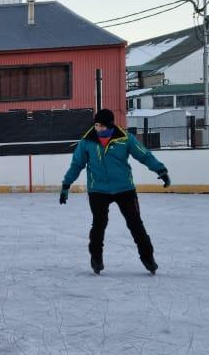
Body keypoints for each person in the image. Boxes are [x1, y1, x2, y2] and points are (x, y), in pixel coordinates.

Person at [60, 107, 170, 275]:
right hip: (98, 190)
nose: (98, 129)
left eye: (102, 126)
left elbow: (144, 155)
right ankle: (96, 258)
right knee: (99, 224)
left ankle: (148, 258)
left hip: (125, 189)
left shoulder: (125, 139)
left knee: (135, 224)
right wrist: (66, 185)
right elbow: (77, 165)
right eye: (96, 125)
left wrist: (160, 170)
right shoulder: (87, 141)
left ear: (110, 125)